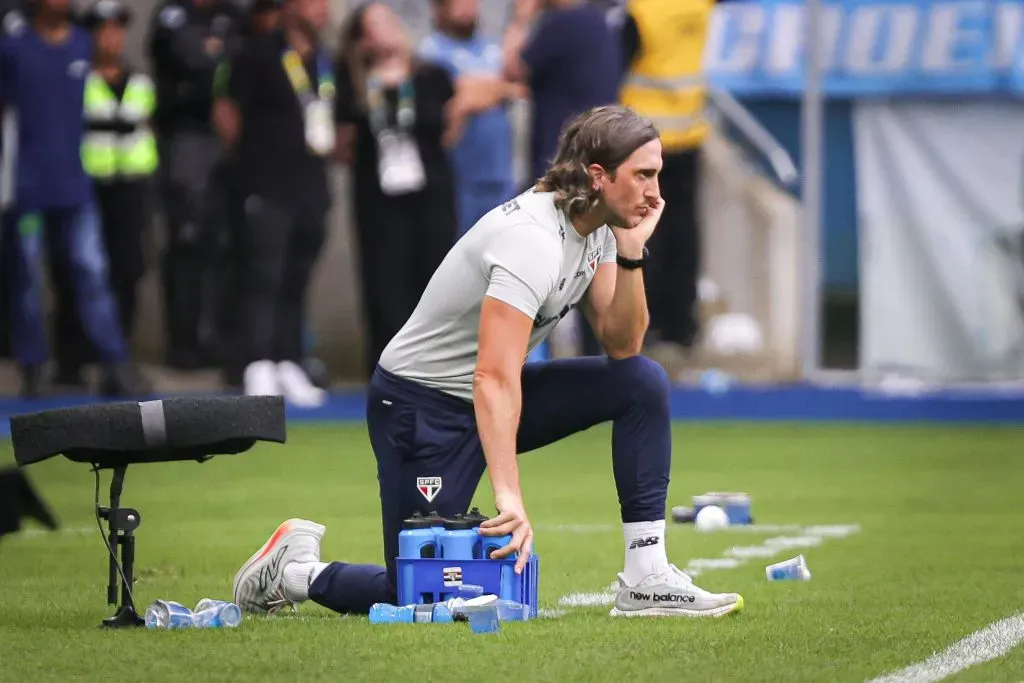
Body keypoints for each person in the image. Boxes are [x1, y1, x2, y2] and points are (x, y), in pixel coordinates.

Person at [231, 106, 744, 619]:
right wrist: (510, 499)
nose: (656, 192)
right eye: (644, 175)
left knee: (641, 381)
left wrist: (631, 253)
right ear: (598, 176)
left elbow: (621, 344)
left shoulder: (602, 223)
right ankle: (296, 573)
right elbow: (493, 379)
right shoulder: (532, 242)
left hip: (483, 393)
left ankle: (646, 576)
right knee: (418, 593)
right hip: (420, 405)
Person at [0, 0, 149, 398]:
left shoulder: (84, 45)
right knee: (27, 280)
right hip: (27, 188)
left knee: (92, 273)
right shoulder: (14, 49)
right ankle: (33, 367)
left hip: (76, 186)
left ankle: (114, 362)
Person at [212, 0, 332, 406]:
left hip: (311, 185)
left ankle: (288, 361)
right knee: (263, 274)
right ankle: (256, 362)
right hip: (265, 184)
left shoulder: (324, 61)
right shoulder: (257, 53)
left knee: (296, 277)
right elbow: (227, 112)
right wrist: (245, 169)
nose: (323, 10)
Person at [334, 1, 460, 379]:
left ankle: (436, 373)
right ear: (361, 39)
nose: (388, 28)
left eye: (389, 20)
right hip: (379, 197)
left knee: (434, 280)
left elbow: (450, 128)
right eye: (375, 24)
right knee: (385, 284)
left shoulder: (431, 74)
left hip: (431, 193)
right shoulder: (351, 80)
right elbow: (342, 141)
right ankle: (389, 374)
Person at [148, 0, 245, 370]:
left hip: (229, 141)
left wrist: (216, 61)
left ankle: (218, 341)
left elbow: (238, 62)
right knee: (187, 243)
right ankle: (184, 344)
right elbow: (191, 61)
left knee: (225, 245)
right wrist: (217, 62)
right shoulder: (173, 14)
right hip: (187, 138)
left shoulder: (233, 15)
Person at [614, 0, 711, 361]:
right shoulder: (699, 5)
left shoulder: (639, 12)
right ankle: (682, 325)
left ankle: (648, 323)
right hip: (689, 133)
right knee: (685, 234)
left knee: (642, 233)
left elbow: (615, 68)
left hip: (644, 140)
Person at [418, 0, 522, 237]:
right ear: (439, 8)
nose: (468, 7)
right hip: (458, 179)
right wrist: (498, 89)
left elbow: (519, 85)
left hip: (500, 175)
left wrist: (477, 93)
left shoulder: (491, 48)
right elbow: (461, 92)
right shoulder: (431, 51)